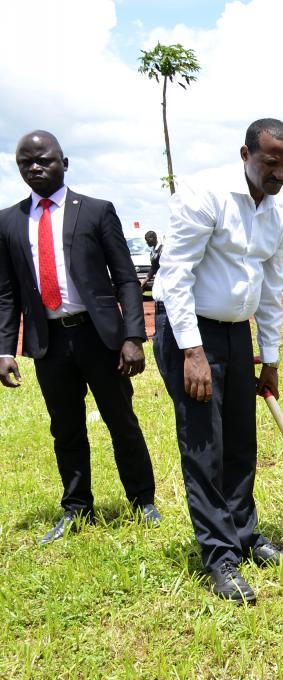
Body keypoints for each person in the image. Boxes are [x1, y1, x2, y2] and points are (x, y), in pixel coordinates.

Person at [153, 118, 283, 604]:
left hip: (237, 335)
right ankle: (219, 555)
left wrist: (271, 358)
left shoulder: (279, 215)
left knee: (241, 441)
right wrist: (191, 351)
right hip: (190, 331)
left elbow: (272, 291)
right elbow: (175, 276)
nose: (278, 173)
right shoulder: (205, 194)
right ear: (246, 154)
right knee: (205, 447)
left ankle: (244, 534)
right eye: (269, 162)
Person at [0, 130, 159, 544]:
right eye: (25, 163)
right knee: (65, 429)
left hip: (101, 337)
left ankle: (142, 501)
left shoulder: (96, 211)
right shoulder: (8, 222)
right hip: (48, 342)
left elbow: (126, 278)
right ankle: (76, 508)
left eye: (44, 160)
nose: (34, 168)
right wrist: (4, 349)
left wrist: (133, 337)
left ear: (64, 163)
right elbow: (7, 293)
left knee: (121, 421)